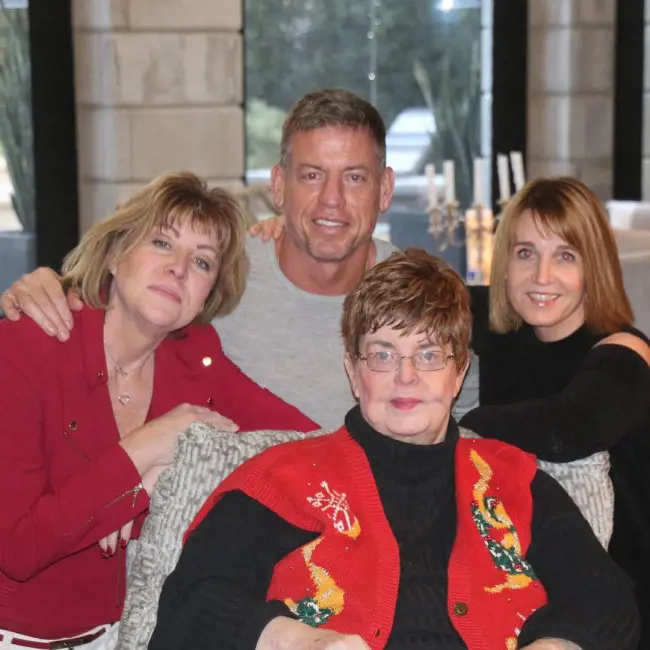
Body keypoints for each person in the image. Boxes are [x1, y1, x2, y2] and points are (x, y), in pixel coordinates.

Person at [148, 249, 639, 650]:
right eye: (383, 354)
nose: (406, 377)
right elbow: (189, 606)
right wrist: (301, 641)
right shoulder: (279, 481)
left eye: (429, 355)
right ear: (352, 370)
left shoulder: (514, 481)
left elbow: (607, 602)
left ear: (458, 371)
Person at [0, 172, 316, 649]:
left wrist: (166, 475)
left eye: (202, 261)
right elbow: (19, 549)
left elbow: (308, 445)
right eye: (163, 243)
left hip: (121, 636)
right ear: (116, 252)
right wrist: (142, 453)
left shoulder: (195, 361)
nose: (180, 268)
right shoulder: (29, 346)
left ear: (208, 293)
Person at [0, 89, 398, 429]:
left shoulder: (417, 295)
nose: (332, 198)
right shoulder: (222, 274)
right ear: (279, 186)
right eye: (311, 175)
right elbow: (114, 301)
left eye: (354, 177)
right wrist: (47, 290)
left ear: (384, 189)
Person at [456, 176, 650, 647]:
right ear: (504, 262)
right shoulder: (497, 327)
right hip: (529, 581)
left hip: (625, 594)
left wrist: (462, 427)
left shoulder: (625, 350)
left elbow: (568, 431)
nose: (542, 276)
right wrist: (289, 233)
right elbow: (401, 289)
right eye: (525, 253)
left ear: (594, 266)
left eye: (566, 255)